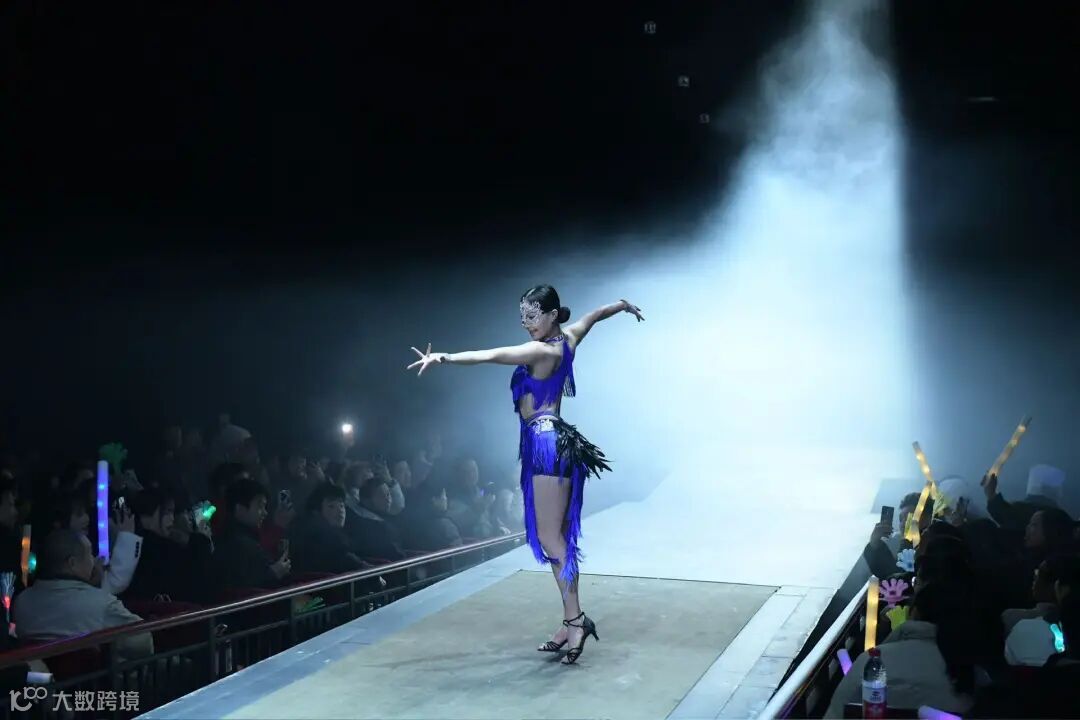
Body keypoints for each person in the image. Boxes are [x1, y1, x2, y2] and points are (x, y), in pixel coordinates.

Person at [407, 284, 643, 665]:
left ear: (552, 314)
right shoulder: (569, 338)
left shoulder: (540, 351)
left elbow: (492, 355)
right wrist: (621, 305)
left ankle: (577, 621)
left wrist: (444, 358)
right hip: (558, 440)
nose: (526, 323)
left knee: (551, 538)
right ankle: (570, 622)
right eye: (523, 317)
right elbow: (594, 316)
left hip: (546, 443)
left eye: (532, 316)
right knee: (556, 538)